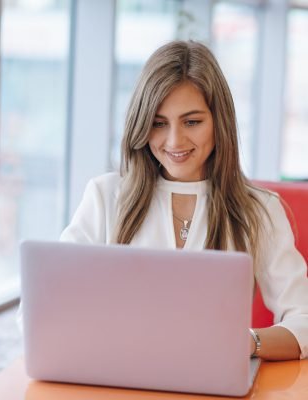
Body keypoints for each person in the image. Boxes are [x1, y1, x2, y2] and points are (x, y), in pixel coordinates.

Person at [60, 40, 308, 361]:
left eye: (192, 122)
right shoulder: (105, 196)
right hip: (119, 376)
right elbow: (48, 303)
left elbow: (304, 319)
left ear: (219, 123)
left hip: (213, 381)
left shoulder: (259, 210)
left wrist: (246, 342)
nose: (175, 141)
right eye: (159, 123)